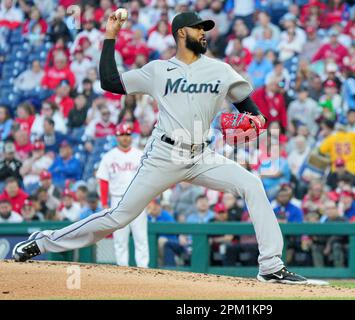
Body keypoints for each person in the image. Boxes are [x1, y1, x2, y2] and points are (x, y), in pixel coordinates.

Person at [13, 11, 318, 285]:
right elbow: (109, 82)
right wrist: (110, 36)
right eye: (200, 29)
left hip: (202, 154)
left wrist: (258, 120)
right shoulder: (158, 70)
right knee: (119, 216)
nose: (205, 34)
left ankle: (271, 266)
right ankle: (43, 241)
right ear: (182, 33)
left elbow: (249, 107)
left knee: (252, 184)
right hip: (164, 154)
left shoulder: (221, 70)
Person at [96, 123, 149, 268]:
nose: (125, 138)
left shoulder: (140, 155)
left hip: (138, 199)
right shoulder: (109, 156)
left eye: (127, 135)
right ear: (116, 137)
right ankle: (122, 268)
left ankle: (143, 268)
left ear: (131, 136)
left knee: (141, 237)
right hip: (117, 199)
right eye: (122, 135)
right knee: (120, 238)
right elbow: (103, 180)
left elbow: (148, 179)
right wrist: (104, 202)